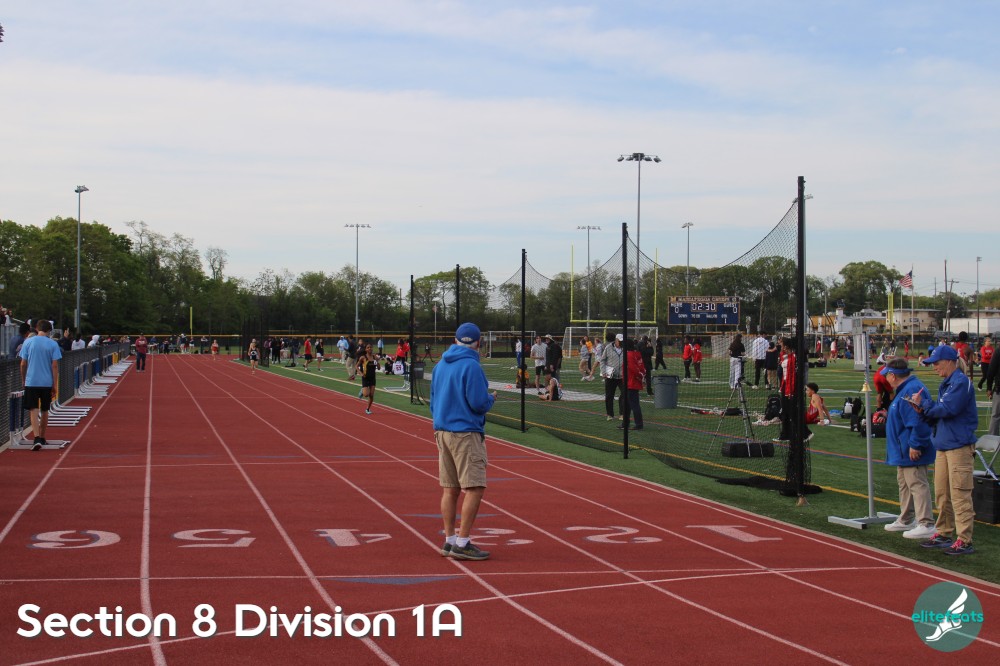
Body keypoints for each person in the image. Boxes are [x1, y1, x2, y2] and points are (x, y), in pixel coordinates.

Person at [429, 322, 497, 561]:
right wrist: (491, 399)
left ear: (455, 340)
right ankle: (463, 542)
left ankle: (449, 540)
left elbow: (433, 401)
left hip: (442, 430)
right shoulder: (472, 366)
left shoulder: (440, 365)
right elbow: (478, 403)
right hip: (465, 432)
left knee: (450, 488)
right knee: (475, 487)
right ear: (478, 343)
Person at [908, 344, 978, 555]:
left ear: (949, 362)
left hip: (958, 446)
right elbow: (939, 415)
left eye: (937, 363)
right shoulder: (948, 384)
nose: (934, 367)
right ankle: (944, 532)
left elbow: (948, 409)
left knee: (959, 493)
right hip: (944, 445)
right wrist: (922, 411)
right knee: (942, 493)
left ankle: (964, 539)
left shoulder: (960, 382)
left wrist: (924, 404)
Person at [879, 358, 936, 540]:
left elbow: (918, 421)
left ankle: (926, 522)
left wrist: (915, 444)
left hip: (910, 448)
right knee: (905, 484)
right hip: (902, 449)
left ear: (893, 376)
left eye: (887, 375)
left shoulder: (911, 390)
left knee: (917, 483)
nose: (885, 379)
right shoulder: (906, 389)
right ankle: (906, 518)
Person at [18, 320, 61, 450]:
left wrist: (23, 379)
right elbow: (54, 365)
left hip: (31, 381)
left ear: (36, 328)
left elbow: (23, 364)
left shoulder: (28, 342)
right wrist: (54, 384)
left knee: (33, 409)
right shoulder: (53, 344)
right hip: (46, 382)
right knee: (45, 409)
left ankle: (36, 437)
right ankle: (42, 437)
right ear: (49, 331)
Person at [620, 338, 645, 431]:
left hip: (630, 382)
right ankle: (626, 423)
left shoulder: (628, 355)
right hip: (632, 382)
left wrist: (639, 376)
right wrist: (641, 376)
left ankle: (638, 424)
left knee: (633, 404)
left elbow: (633, 368)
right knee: (627, 404)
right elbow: (641, 368)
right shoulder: (636, 354)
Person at [599, 333, 624, 421]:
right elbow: (602, 360)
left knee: (624, 394)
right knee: (609, 395)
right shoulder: (608, 347)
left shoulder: (625, 348)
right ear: (616, 340)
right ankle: (610, 414)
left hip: (622, 376)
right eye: (620, 341)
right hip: (611, 376)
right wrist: (603, 371)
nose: (621, 343)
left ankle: (622, 414)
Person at [358, 343, 377, 414]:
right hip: (365, 377)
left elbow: (378, 367)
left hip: (372, 378)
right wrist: (361, 373)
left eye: (370, 347)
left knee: (371, 395)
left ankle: (368, 409)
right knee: (366, 394)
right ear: (366, 349)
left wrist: (377, 363)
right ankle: (363, 390)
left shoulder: (375, 357)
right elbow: (356, 366)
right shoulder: (363, 357)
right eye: (368, 347)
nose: (369, 348)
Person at [987, 341, 1000, 436]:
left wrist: (989, 388)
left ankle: (992, 439)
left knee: (996, 415)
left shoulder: (998, 351)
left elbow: (991, 370)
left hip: (999, 388)